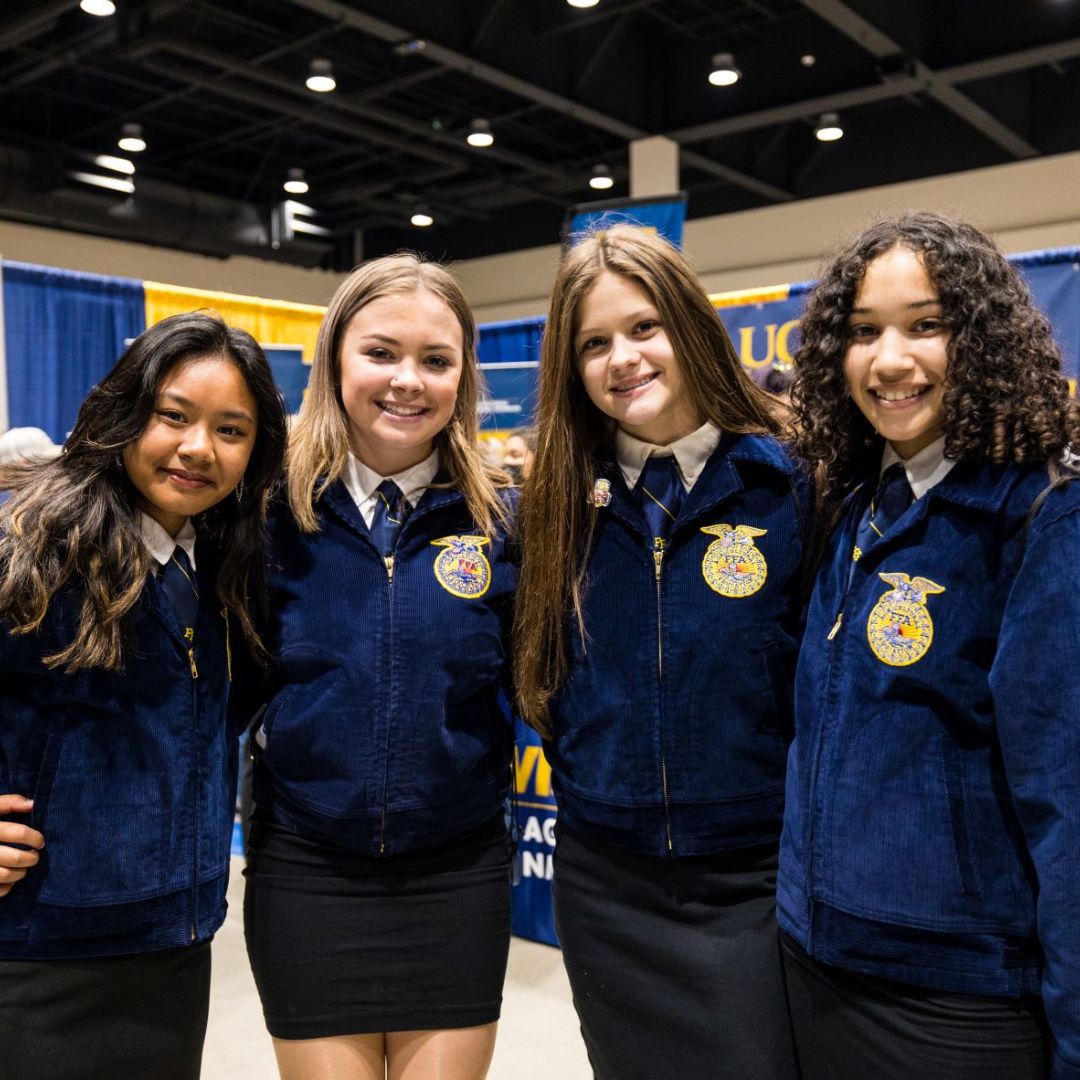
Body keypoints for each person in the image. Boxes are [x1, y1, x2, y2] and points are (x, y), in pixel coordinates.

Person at [779, 211, 1080, 1080]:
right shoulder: (857, 506)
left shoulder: (1039, 516)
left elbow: (1066, 805)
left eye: (926, 325)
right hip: (815, 965)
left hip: (956, 1000)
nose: (890, 360)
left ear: (980, 339)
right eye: (865, 332)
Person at [513, 225, 809, 1079]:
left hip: (752, 877)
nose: (623, 359)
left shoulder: (789, 482)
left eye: (644, 328)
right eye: (594, 343)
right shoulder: (554, 503)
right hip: (606, 882)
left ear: (689, 325)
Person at [243, 254, 517, 1080]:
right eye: (381, 353)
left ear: (463, 377)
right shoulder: (262, 513)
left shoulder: (505, 518)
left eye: (436, 361)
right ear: (333, 361)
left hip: (458, 872)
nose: (408, 381)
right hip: (307, 870)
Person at [0, 311, 287, 1080]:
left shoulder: (223, 566)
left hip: (175, 947)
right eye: (173, 416)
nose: (199, 449)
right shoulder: (33, 546)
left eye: (232, 429)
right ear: (126, 413)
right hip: (41, 958)